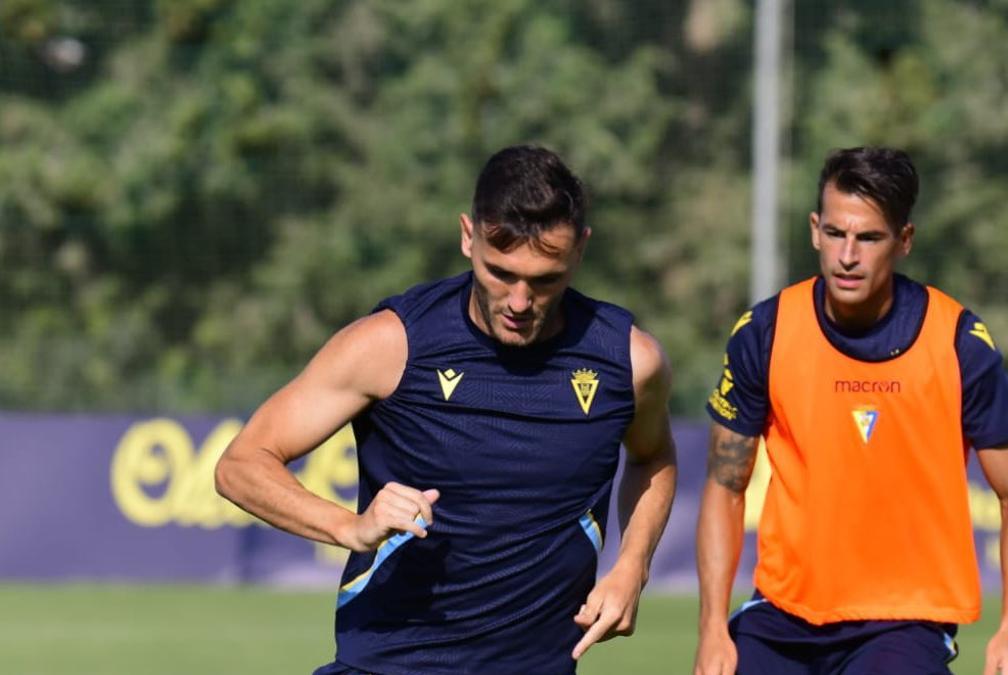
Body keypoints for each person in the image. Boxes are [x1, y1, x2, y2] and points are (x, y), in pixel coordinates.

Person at [215, 145, 677, 674]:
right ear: (467, 237)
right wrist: (349, 526)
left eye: (545, 280)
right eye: (500, 273)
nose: (520, 301)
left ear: (581, 251)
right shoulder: (391, 346)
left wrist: (632, 566)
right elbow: (242, 464)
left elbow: (653, 456)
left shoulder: (629, 362)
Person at [694, 147, 1008, 675]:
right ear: (815, 230)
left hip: (903, 621)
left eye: (869, 237)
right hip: (782, 615)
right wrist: (713, 628)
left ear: (904, 241)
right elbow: (725, 486)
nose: (847, 255)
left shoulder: (958, 344)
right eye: (835, 234)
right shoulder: (764, 334)